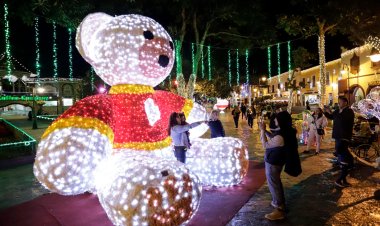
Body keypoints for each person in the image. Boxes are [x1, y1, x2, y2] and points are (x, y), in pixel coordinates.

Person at [258, 111, 298, 221]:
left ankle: (279, 209)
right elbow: (274, 137)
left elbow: (265, 145)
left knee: (274, 185)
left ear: (281, 121)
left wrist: (262, 130)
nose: (274, 120)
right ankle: (279, 203)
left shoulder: (281, 137)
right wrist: (265, 131)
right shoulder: (286, 131)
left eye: (276, 119)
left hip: (273, 163)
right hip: (277, 161)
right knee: (276, 183)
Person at [324, 96, 355, 188]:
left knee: (346, 159)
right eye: (339, 102)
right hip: (338, 137)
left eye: (340, 102)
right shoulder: (338, 111)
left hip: (344, 137)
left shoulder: (349, 111)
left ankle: (341, 180)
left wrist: (332, 112)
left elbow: (343, 119)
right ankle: (342, 180)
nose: (339, 103)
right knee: (344, 159)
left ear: (345, 102)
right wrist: (326, 111)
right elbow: (331, 117)